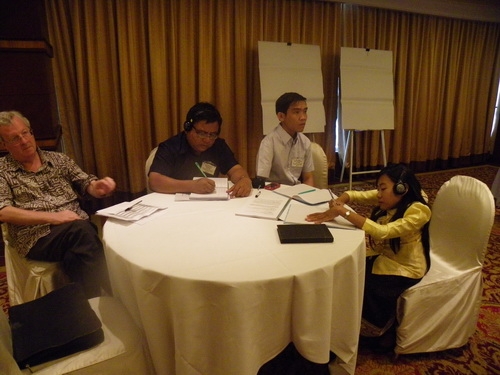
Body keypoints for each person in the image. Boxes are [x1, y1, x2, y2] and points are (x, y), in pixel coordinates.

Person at [306, 163, 431, 351]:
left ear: (401, 188)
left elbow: (382, 231)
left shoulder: (418, 210)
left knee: (367, 287)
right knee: (348, 271)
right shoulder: (393, 197)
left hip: (406, 268)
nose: (378, 194)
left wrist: (344, 211)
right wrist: (337, 205)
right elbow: (354, 195)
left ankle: (374, 334)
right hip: (385, 257)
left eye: (383, 189)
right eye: (378, 188)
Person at [0, 110, 115, 299]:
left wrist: (97, 187)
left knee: (75, 256)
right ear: (4, 145)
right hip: (37, 236)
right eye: (14, 138)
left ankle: (84, 306)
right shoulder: (3, 170)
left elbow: (84, 182)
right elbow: (3, 212)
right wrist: (55, 217)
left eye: (25, 133)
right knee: (83, 231)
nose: (24, 141)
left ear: (31, 132)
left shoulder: (58, 159)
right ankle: (111, 296)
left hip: (75, 228)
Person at [148, 102, 252, 197]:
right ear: (188, 128)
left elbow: (236, 170)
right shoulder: (170, 146)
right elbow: (154, 181)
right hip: (174, 203)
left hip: (208, 203)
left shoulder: (218, 145)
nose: (207, 140)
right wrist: (192, 186)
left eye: (212, 134)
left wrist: (244, 180)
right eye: (201, 133)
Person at [256, 92, 314, 186]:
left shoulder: (305, 142)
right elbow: (261, 180)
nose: (303, 117)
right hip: (275, 192)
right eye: (296, 112)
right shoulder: (269, 142)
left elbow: (308, 178)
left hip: (297, 193)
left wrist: (307, 197)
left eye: (305, 111)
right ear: (281, 116)